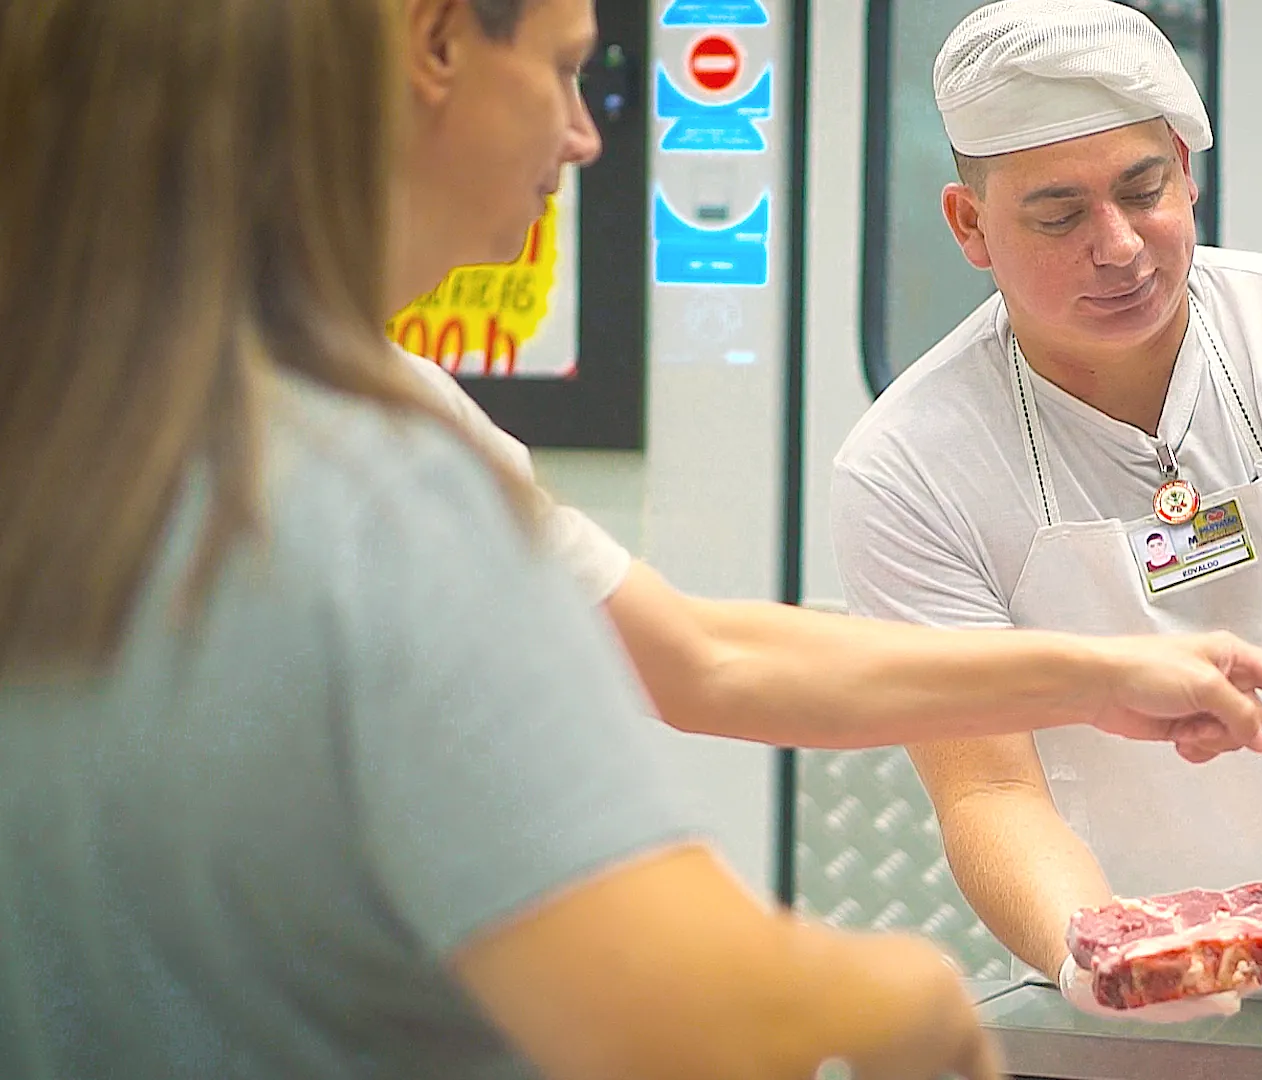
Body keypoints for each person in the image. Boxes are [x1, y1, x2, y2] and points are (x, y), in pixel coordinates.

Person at [0, 0, 998, 1076]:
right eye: (565, 68)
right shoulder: (379, 498)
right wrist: (916, 995)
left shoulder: (70, 447)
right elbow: (679, 1013)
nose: (586, 134)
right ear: (433, 44)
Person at [388, 0, 1262, 763]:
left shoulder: (407, 409)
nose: (583, 136)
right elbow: (697, 671)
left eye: (1143, 193)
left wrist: (1099, 677)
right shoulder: (310, 409)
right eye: (563, 71)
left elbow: (700, 656)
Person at [830, 0, 1262, 1021]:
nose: (1118, 246)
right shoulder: (910, 465)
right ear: (970, 226)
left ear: (1189, 174)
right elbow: (989, 792)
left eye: (1145, 191)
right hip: (1121, 962)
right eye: (1058, 216)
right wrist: (1109, 961)